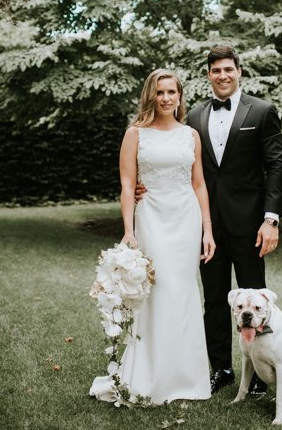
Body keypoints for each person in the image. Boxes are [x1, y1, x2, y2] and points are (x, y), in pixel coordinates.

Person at [92, 68, 216, 404]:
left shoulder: (191, 135)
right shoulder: (135, 134)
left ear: (179, 96)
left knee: (185, 291)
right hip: (151, 219)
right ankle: (150, 375)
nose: (166, 98)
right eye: (160, 92)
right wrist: (129, 230)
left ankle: (188, 378)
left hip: (186, 219)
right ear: (151, 95)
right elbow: (128, 185)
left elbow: (199, 184)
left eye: (171, 92)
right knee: (157, 292)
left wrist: (207, 229)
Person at [185, 45, 282, 394]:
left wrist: (271, 220)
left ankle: (260, 373)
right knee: (214, 299)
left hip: (250, 226)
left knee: (256, 301)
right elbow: (186, 169)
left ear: (239, 71)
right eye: (216, 71)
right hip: (207, 228)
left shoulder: (261, 111)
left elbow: (276, 164)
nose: (222, 76)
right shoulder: (195, 117)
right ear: (209, 75)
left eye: (228, 69)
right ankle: (222, 370)